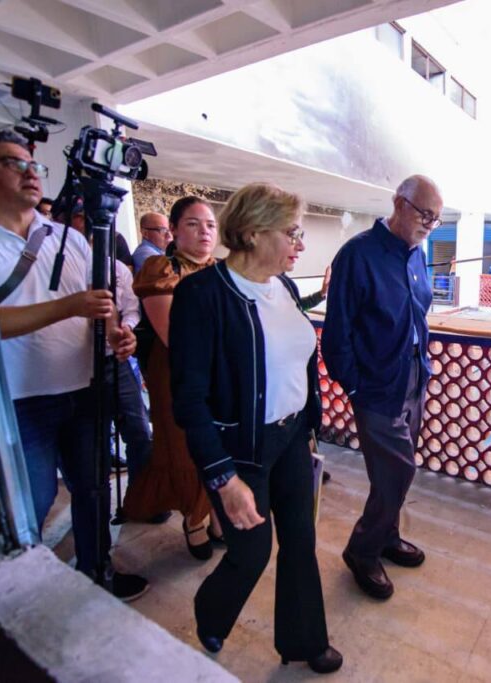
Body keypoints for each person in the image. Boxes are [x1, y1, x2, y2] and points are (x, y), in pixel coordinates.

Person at [0, 130, 148, 600]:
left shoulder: (70, 239)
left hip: (83, 389)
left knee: (92, 490)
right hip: (16, 399)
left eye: (35, 165)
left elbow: (99, 305)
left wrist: (116, 335)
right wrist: (67, 307)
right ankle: (23, 592)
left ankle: (97, 570)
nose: (31, 173)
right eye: (13, 163)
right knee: (31, 501)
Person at [169, 182, 341, 672]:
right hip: (240, 446)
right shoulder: (201, 295)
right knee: (251, 551)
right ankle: (211, 610)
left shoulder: (284, 287)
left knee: (301, 540)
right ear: (251, 233)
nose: (300, 244)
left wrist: (307, 424)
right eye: (292, 233)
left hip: (291, 437)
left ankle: (304, 642)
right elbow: (190, 401)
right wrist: (223, 479)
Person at [322, 174, 441, 600]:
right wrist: (354, 387)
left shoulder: (416, 256)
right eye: (425, 214)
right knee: (398, 470)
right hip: (375, 388)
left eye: (437, 219)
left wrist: (422, 369)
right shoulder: (358, 255)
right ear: (399, 204)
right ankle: (362, 550)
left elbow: (417, 315)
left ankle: (387, 535)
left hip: (412, 378)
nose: (430, 224)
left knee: (391, 476)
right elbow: (337, 334)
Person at [124, 197, 222, 559]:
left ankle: (216, 514)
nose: (204, 232)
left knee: (221, 444)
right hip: (179, 375)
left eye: (210, 225)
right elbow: (174, 338)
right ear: (174, 230)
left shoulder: (223, 270)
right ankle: (194, 519)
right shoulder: (161, 269)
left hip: (221, 374)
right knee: (185, 448)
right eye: (193, 224)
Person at [51, 201, 153, 485]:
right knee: (87, 449)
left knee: (139, 431)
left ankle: (139, 495)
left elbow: (131, 308)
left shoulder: (116, 268)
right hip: (71, 366)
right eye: (79, 217)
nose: (86, 224)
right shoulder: (52, 267)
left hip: (113, 361)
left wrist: (125, 328)